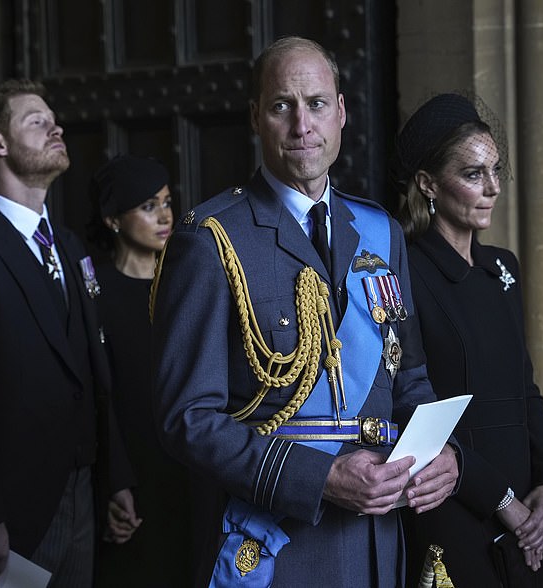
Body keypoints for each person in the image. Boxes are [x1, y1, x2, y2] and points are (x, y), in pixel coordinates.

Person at [151, 36, 459, 587]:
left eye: (317, 104)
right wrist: (318, 478)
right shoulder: (213, 239)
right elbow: (187, 419)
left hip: (376, 540)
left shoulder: (380, 231)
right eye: (281, 106)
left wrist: (445, 455)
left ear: (341, 112)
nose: (302, 125)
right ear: (255, 117)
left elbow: (409, 379)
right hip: (277, 545)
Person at [0, 79, 139, 587]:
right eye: (36, 121)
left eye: (53, 118)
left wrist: (115, 478)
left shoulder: (71, 245)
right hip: (9, 512)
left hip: (84, 493)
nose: (55, 126)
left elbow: (94, 370)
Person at [391, 93, 543, 586]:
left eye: (495, 170)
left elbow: (526, 389)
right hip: (455, 508)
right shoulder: (403, 270)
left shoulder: (501, 267)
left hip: (528, 516)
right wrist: (500, 501)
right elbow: (411, 406)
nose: (492, 189)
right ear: (428, 184)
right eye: (472, 175)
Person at [87, 154, 192, 587]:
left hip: (188, 468)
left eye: (166, 202)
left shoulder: (188, 281)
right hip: (126, 471)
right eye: (149, 206)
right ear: (113, 220)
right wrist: (114, 482)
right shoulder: (93, 292)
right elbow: (97, 394)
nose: (165, 215)